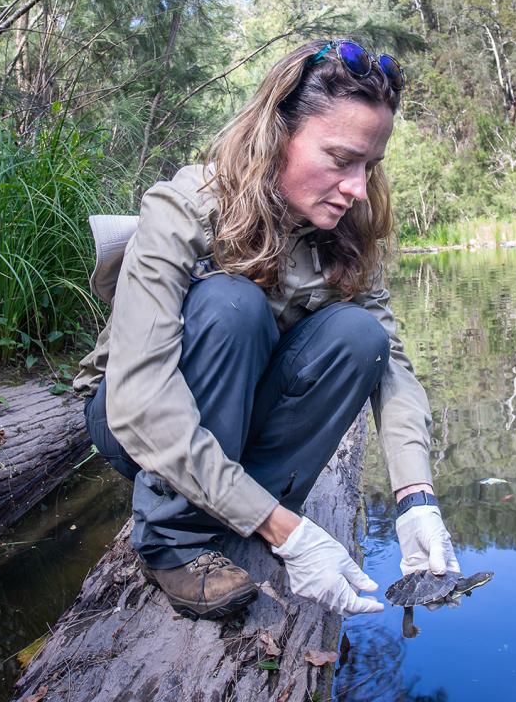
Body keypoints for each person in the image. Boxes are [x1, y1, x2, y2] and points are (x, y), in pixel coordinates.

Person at [73, 38, 461, 621]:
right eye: (340, 159)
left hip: (243, 416)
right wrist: (289, 533)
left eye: (369, 166)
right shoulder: (183, 207)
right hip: (135, 418)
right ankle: (172, 540)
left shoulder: (347, 234)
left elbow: (394, 371)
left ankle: (252, 506)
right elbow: (139, 399)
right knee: (233, 305)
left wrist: (415, 496)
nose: (357, 187)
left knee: (361, 337)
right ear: (278, 135)